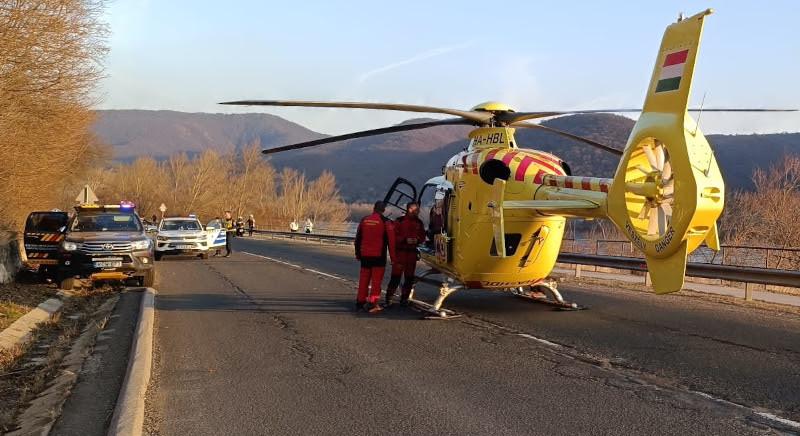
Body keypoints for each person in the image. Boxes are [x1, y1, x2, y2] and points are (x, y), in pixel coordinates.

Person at [354, 201, 395, 313]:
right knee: (376, 281)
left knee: (363, 280)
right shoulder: (386, 222)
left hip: (365, 256)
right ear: (384, 210)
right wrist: (393, 258)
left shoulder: (364, 220)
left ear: (373, 208)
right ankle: (372, 304)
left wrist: (358, 254)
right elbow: (391, 242)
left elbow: (358, 239)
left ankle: (360, 302)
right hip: (378, 257)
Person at [386, 202, 426, 306]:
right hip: (400, 254)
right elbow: (393, 236)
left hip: (412, 255)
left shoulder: (419, 223)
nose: (418, 212)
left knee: (409, 278)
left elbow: (422, 237)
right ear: (410, 209)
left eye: (418, 210)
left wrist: (417, 240)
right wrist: (405, 240)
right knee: (395, 277)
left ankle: (404, 299)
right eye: (416, 210)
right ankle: (389, 298)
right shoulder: (399, 221)